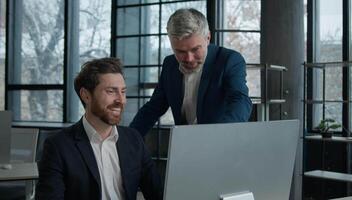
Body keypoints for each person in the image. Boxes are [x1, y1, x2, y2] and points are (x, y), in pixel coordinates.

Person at [35, 58, 163, 200]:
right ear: (86, 95)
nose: (121, 100)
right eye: (111, 91)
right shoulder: (58, 146)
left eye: (123, 92)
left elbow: (157, 193)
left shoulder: (133, 139)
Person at [130, 8, 252, 137]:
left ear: (208, 38)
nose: (189, 58)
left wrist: (220, 136)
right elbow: (153, 108)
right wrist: (127, 139)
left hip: (219, 142)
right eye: (180, 52)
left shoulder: (229, 60)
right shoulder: (169, 64)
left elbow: (240, 101)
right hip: (183, 144)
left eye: (195, 49)